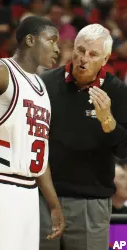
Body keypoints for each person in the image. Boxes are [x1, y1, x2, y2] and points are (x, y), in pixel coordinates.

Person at [0, 16, 65, 250]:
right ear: (30, 39)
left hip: (29, 193)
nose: (57, 48)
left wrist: (53, 203)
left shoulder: (41, 87)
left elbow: (38, 151)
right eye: (51, 40)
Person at [39, 23, 127, 250]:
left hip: (91, 203)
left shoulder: (117, 92)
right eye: (80, 50)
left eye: (93, 54)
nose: (83, 58)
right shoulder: (45, 84)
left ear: (105, 60)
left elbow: (124, 150)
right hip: (44, 199)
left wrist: (107, 120)